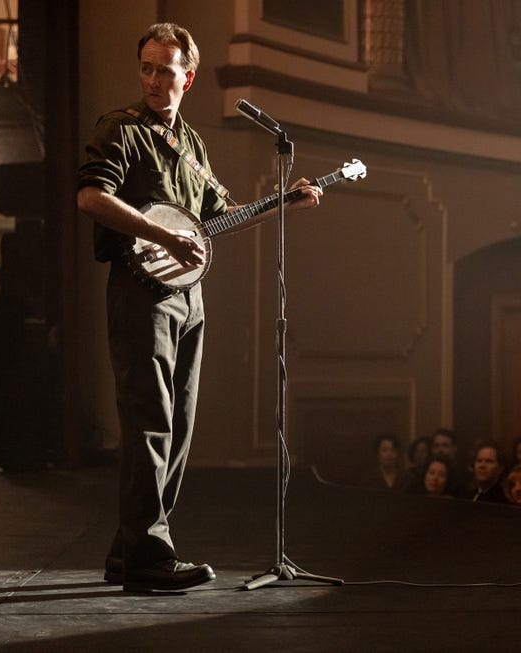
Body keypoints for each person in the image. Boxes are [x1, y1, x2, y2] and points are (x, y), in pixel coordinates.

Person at [77, 23, 323, 592]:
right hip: (143, 293)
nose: (155, 80)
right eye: (147, 68)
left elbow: (223, 219)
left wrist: (288, 201)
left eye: (167, 70)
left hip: (190, 296)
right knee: (149, 422)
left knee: (179, 425)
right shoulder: (120, 129)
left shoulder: (191, 145)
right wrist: (161, 238)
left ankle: (128, 549)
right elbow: (91, 196)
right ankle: (148, 557)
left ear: (188, 77)